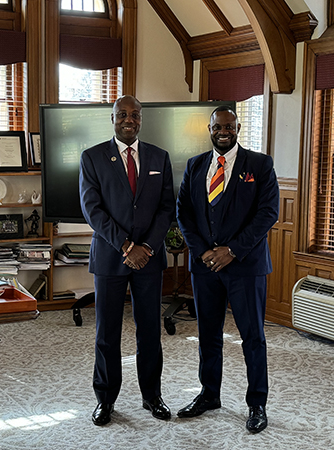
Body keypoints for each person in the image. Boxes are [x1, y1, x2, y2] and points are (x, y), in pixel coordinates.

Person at [176, 105, 279, 434]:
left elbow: (268, 213)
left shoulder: (259, 165)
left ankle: (257, 404)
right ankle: (209, 395)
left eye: (230, 126)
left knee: (252, 337)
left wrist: (232, 251)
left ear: (238, 128)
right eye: (218, 126)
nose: (224, 131)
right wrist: (204, 251)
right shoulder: (195, 166)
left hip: (245, 266)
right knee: (208, 335)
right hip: (204, 266)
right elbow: (184, 214)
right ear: (209, 129)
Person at [79, 95, 175, 426]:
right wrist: (125, 245)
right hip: (110, 257)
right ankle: (105, 399)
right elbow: (92, 209)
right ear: (113, 118)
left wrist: (146, 246)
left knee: (149, 331)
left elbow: (166, 208)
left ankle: (152, 396)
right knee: (107, 332)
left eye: (135, 115)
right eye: (122, 114)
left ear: (141, 119)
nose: (128, 119)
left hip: (149, 257)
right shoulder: (91, 157)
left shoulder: (159, 157)